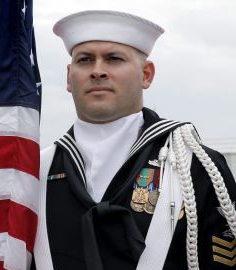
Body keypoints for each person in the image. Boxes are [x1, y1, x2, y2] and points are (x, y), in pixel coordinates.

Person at [32, 10, 236, 270]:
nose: (98, 71)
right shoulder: (33, 173)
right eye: (85, 60)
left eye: (114, 59)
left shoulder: (196, 167)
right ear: (69, 77)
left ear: (147, 74)